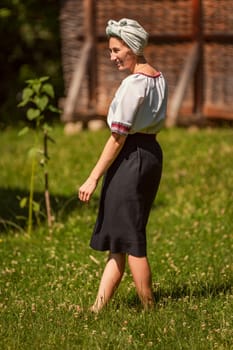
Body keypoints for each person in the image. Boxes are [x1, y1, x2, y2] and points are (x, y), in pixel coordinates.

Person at [78, 18, 167, 312]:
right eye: (110, 50)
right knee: (120, 236)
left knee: (131, 238)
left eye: (116, 50)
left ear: (132, 47)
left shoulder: (134, 84)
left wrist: (92, 178)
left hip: (131, 157)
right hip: (150, 153)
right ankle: (96, 308)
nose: (112, 56)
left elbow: (117, 138)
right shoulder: (158, 78)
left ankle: (150, 308)